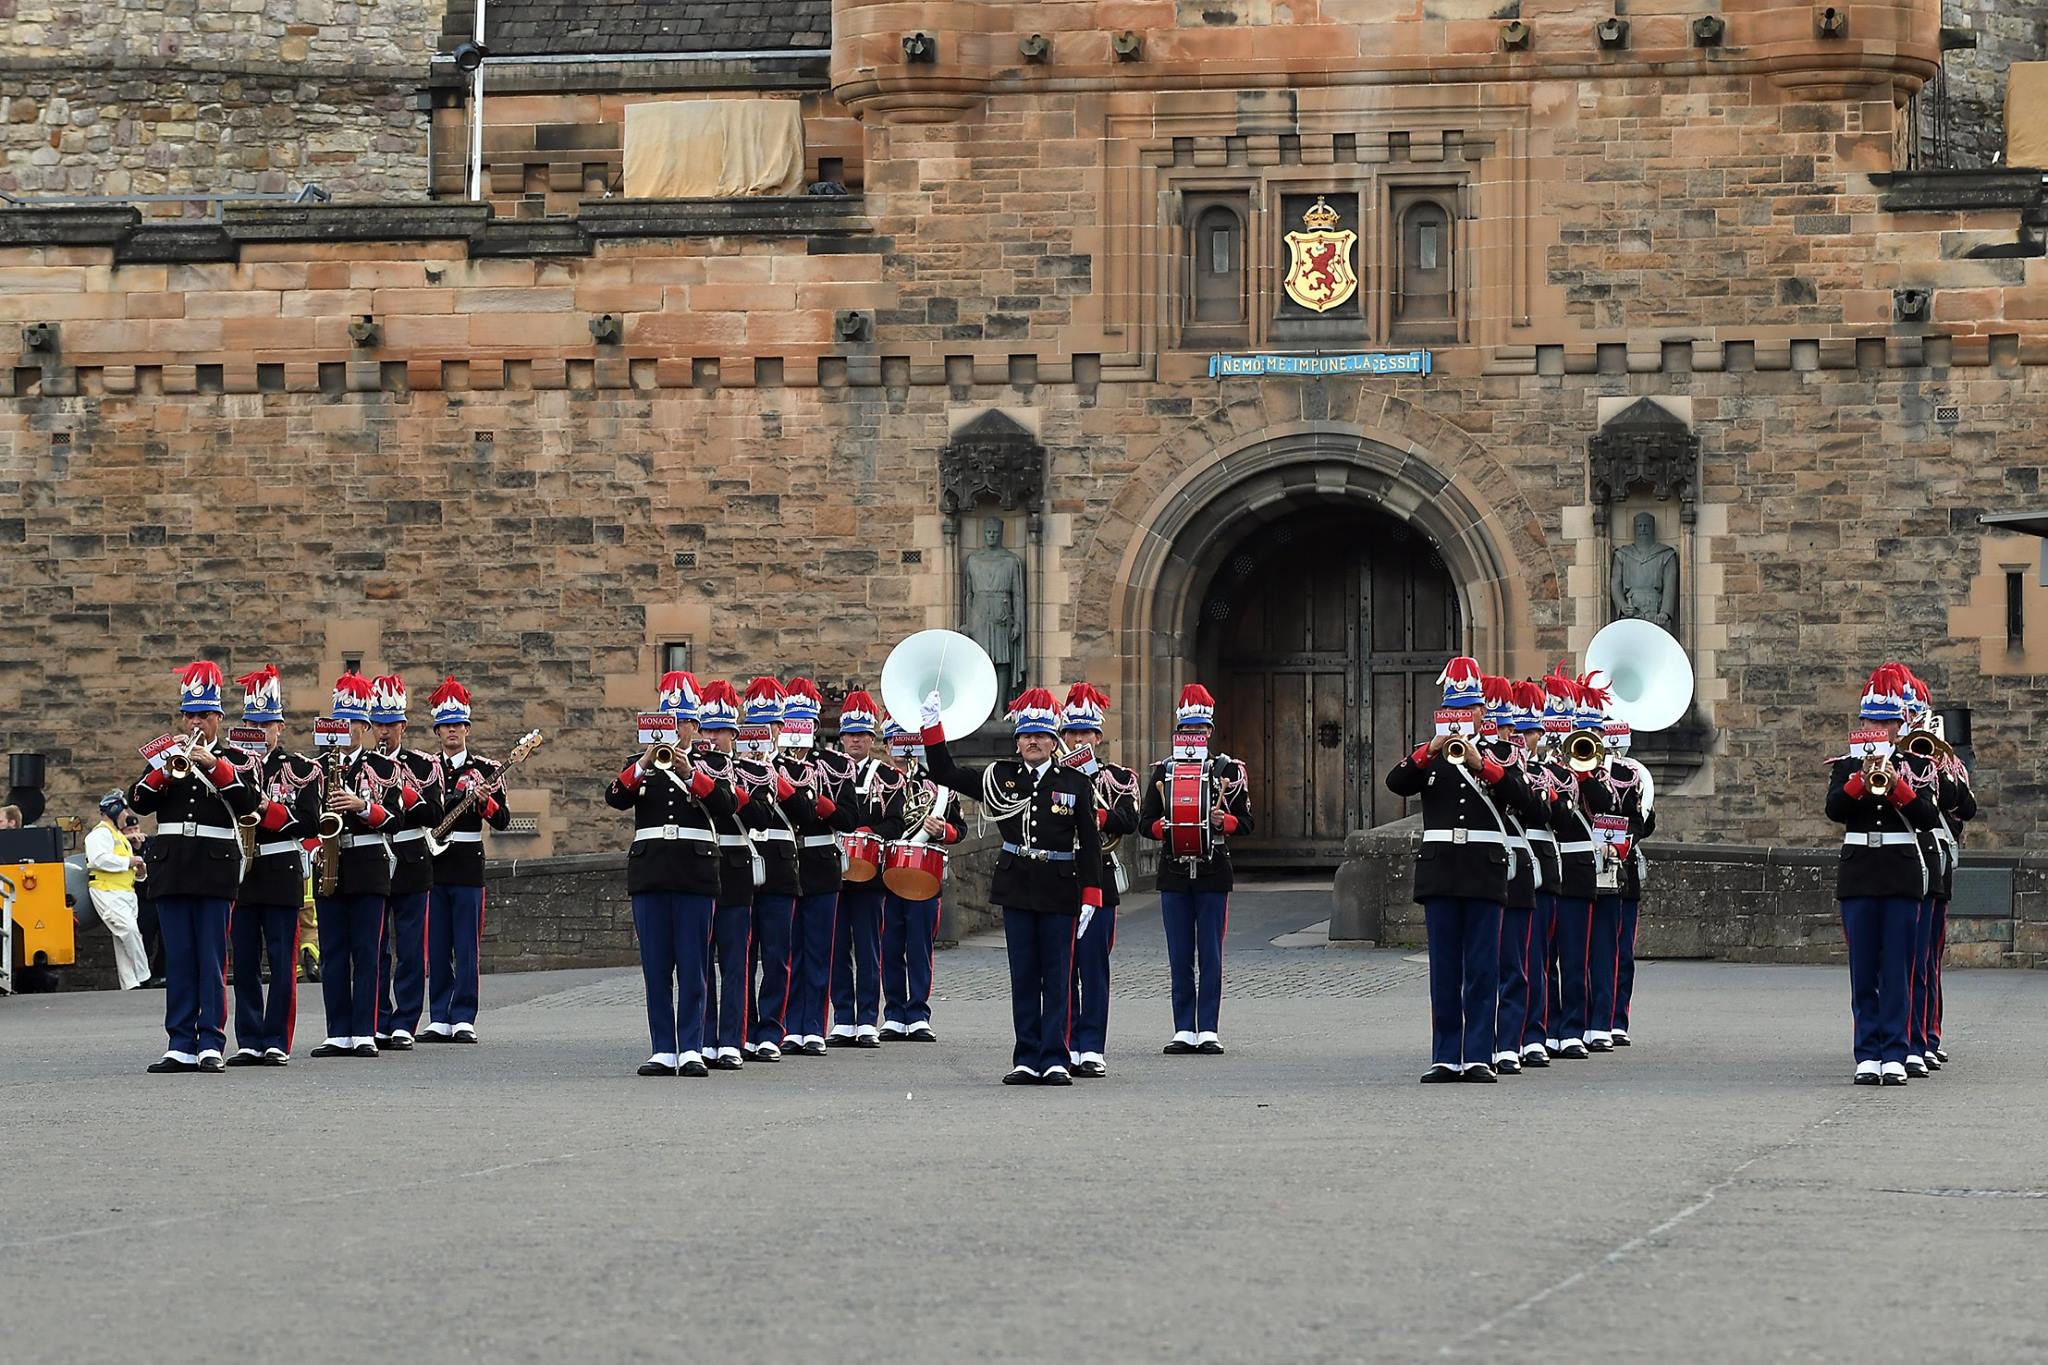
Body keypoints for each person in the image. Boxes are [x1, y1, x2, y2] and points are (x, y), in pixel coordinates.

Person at [923, 686, 1103, 1086]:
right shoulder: (999, 777)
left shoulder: (1073, 782)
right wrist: (931, 728)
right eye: (1025, 736)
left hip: (1059, 886)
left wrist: (1092, 894)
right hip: (1018, 885)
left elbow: (1089, 842)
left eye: (1040, 736)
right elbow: (944, 774)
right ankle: (1026, 1056)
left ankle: (1055, 1056)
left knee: (1057, 976)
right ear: (1017, 741)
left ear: (1054, 741)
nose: (1032, 742)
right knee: (1023, 975)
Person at [1384, 656, 1529, 1083]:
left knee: (1483, 968)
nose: (1463, 720)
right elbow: (1396, 783)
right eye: (1456, 712)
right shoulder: (1430, 760)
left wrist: (1484, 765)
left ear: (1483, 714)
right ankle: (1446, 1055)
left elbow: (1525, 800)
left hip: (1484, 871)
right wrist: (1429, 749)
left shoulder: (1498, 759)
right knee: (1445, 969)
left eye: (1470, 710)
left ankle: (1480, 1055)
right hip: (1441, 872)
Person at [125, 661, 261, 1073]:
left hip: (215, 868)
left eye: (204, 715)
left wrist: (213, 766)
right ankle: (180, 1042)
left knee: (211, 957)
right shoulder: (165, 756)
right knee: (179, 958)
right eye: (190, 715)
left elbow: (249, 803)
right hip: (172, 867)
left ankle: (211, 1043)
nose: (196, 722)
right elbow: (138, 801)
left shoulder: (236, 758)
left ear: (218, 718)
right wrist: (165, 772)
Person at [605, 679, 735, 1077]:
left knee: (694, 966)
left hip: (695, 873)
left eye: (685, 722)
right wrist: (644, 762)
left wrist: (690, 772)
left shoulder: (713, 765)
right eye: (671, 721)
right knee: (656, 967)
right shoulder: (638, 763)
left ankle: (692, 1047)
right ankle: (663, 1047)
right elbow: (614, 797)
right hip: (650, 874)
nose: (677, 729)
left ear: (695, 727)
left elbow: (726, 805)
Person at [1826, 664, 1942, 1087]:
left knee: (1897, 967)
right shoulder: (1845, 765)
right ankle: (1867, 1052)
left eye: (1884, 721)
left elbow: (1928, 816)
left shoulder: (1915, 764)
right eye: (1869, 720)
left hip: (1900, 874)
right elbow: (1836, 809)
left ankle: (1895, 1051)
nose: (1876, 727)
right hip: (1859, 873)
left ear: (1897, 726)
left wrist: (1896, 785)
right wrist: (1861, 778)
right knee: (1863, 969)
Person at [1137, 684, 1254, 1056]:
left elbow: (1247, 822)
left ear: (1209, 731)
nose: (1195, 737)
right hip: (1173, 870)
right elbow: (1145, 822)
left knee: (1211, 953)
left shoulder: (1228, 770)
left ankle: (1209, 1028)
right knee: (1179, 953)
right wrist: (1166, 827)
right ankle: (1183, 1027)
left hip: (1212, 869)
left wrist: (1225, 822)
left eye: (1200, 730)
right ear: (1179, 732)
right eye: (1188, 731)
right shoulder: (1164, 771)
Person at [311, 672, 415, 1060]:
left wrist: (361, 807)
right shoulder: (317, 767)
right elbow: (305, 816)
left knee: (368, 951)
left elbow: (397, 819)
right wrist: (314, 845)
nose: (349, 730)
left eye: (356, 723)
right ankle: (338, 1031)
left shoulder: (383, 767)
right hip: (330, 861)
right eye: (343, 723)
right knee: (333, 949)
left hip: (369, 860)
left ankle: (366, 1029)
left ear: (366, 727)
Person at [227, 666, 322, 1065]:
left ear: (279, 727)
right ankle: (249, 1037)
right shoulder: (230, 765)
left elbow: (310, 820)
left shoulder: (299, 769)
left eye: (267, 724)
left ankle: (276, 1040)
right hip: (243, 873)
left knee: (283, 961)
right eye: (253, 722)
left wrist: (268, 810)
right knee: (245, 961)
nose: (260, 731)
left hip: (281, 865)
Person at [422, 676, 513, 1044]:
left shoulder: (486, 769)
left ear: (468, 729)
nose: (452, 732)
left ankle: (464, 1016)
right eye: (446, 726)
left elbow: (503, 820)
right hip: (433, 862)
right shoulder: (425, 769)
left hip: (467, 863)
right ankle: (439, 1015)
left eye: (458, 725)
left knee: (466, 944)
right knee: (437, 945)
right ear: (438, 730)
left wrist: (483, 801)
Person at [826, 677, 903, 1049]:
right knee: (836, 946)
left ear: (873, 739)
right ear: (841, 738)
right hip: (834, 873)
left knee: (870, 947)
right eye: (850, 735)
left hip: (871, 874)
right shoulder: (824, 773)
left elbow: (897, 820)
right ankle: (843, 1016)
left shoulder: (889, 777)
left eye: (863, 735)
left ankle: (868, 1018)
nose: (856, 741)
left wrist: (867, 831)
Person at [878, 717, 965, 1043]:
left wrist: (944, 830)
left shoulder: (938, 786)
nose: (904, 751)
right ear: (887, 746)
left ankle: (918, 1012)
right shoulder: (877, 781)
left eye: (909, 743)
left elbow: (961, 830)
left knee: (919, 944)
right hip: (886, 871)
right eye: (897, 743)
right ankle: (893, 1013)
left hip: (923, 872)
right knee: (889, 945)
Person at [369, 675, 443, 1051]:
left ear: (402, 726)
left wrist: (405, 790)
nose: (384, 732)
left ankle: (405, 1020)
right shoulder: (359, 765)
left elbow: (435, 811)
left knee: (411, 947)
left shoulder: (423, 764)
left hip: (411, 859)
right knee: (376, 947)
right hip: (374, 860)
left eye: (390, 725)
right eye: (378, 725)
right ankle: (378, 1017)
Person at [1481, 676, 1548, 1077]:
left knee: (1516, 963)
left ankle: (1511, 1041)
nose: (1513, 736)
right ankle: (1479, 1044)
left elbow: (1535, 812)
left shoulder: (1517, 764)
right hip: (1478, 866)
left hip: (1516, 865)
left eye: (1517, 729)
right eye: (1506, 727)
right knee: (1480, 965)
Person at [1599, 712, 1655, 1048]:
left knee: (1622, 951)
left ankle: (1617, 1018)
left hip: (1624, 869)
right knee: (1595, 950)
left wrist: (1627, 833)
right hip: (1591, 865)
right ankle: (1596, 1017)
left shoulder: (1631, 775)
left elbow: (1646, 823)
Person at [84, 790, 150, 990]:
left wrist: (140, 871)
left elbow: (131, 869)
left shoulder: (118, 837)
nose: (127, 816)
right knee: (129, 931)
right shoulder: (100, 834)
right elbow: (98, 859)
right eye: (123, 812)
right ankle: (144, 975)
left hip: (124, 892)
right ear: (113, 811)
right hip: (107, 891)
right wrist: (129, 861)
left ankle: (130, 983)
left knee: (122, 938)